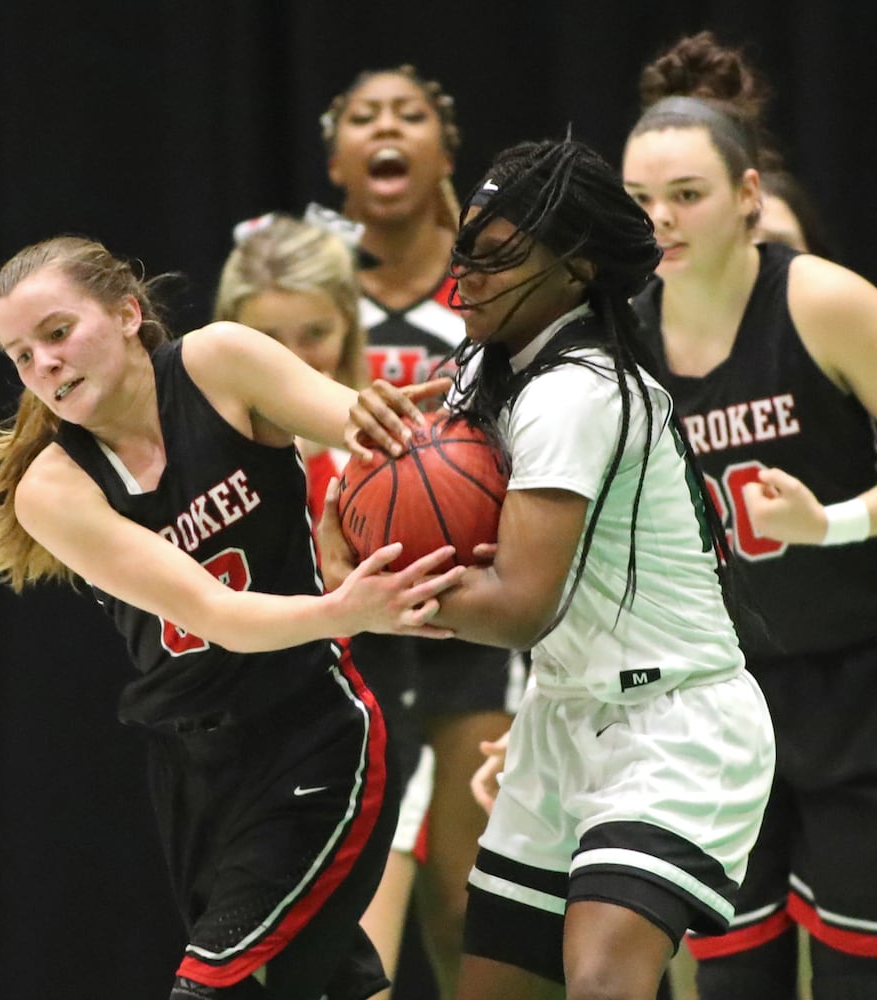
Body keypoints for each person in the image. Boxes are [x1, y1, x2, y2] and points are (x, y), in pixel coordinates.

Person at [319, 135, 777, 1000]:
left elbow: (519, 606)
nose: (468, 279)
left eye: (498, 260)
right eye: (465, 252)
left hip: (673, 722)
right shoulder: (481, 371)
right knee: (489, 986)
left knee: (605, 980)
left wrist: (373, 593)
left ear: (576, 268)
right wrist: (347, 504)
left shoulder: (578, 389)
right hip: (565, 716)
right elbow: (360, 508)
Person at [0, 235, 468, 1000]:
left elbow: (370, 431)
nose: (44, 366)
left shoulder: (219, 362)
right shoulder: (53, 490)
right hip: (194, 776)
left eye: (57, 332)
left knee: (212, 991)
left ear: (129, 312)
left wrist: (435, 438)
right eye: (21, 356)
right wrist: (342, 607)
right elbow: (213, 611)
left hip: (313, 734)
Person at [621, 30, 877, 1000]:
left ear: (749, 197)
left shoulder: (823, 302)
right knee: (733, 977)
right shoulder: (620, 338)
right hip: (718, 696)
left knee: (857, 974)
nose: (660, 219)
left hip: (869, 678)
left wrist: (829, 521)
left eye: (688, 196)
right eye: (639, 201)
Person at [321, 64, 525, 999]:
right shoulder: (305, 286)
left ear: (446, 152)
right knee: (359, 903)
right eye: (363, 118)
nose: (385, 129)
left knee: (468, 900)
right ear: (336, 160)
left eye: (409, 115)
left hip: (478, 596)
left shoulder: (488, 284)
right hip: (352, 604)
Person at [211, 208, 435, 1000]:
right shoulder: (202, 460)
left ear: (349, 326)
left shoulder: (379, 447)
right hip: (241, 749)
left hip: (367, 721)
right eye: (272, 339)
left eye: (316, 332)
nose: (299, 355)